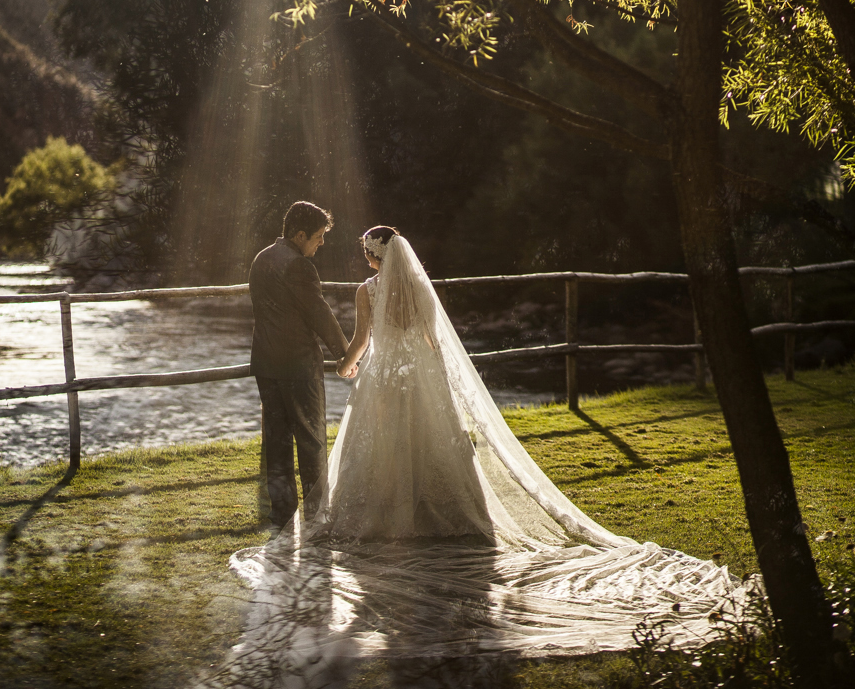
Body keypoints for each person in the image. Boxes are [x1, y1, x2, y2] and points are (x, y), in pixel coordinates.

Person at [233, 227, 749, 657]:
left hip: (387, 375)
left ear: (373, 258)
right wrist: (441, 380)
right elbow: (435, 340)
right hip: (423, 372)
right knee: (432, 444)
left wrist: (348, 365)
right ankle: (449, 515)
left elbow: (365, 341)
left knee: (382, 447)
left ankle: (384, 516)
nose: (364, 260)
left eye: (366, 254)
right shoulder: (417, 285)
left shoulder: (367, 291)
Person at [249, 201, 349, 529]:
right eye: (318, 236)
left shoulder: (261, 258)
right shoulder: (299, 266)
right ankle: (317, 514)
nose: (322, 243)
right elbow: (318, 312)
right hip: (298, 365)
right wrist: (344, 354)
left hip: (266, 363)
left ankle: (282, 515)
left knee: (276, 440)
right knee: (311, 439)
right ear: (300, 234)